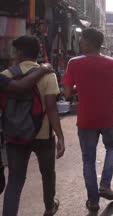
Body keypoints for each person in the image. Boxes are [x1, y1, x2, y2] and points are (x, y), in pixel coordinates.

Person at [62, 28, 113, 212]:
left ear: (89, 42)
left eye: (82, 40)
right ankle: (105, 184)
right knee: (112, 148)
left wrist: (80, 89)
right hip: (107, 117)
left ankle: (93, 201)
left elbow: (67, 93)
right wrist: (107, 89)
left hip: (86, 119)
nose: (80, 43)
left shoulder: (73, 63)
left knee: (88, 160)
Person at [1, 36, 65, 216]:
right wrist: (60, 136)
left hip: (15, 135)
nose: (13, 55)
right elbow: (52, 108)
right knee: (47, 173)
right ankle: (49, 207)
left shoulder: (6, 75)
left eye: (14, 51)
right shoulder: (48, 74)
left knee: (15, 180)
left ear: (20, 52)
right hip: (42, 135)